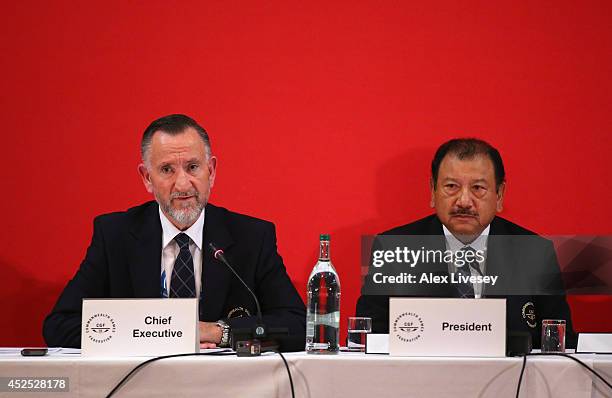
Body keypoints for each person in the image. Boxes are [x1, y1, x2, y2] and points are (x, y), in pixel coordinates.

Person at [43, 114, 306, 348]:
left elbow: (297, 324)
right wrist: (162, 335)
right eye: (167, 169)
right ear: (147, 178)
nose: (182, 184)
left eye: (193, 167)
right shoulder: (115, 235)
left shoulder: (251, 237)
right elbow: (60, 325)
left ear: (211, 171)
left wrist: (218, 332)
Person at [356, 138, 576, 348]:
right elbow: (370, 338)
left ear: (499, 195)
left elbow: (558, 342)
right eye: (451, 186)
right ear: (432, 191)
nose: (463, 201)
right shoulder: (393, 248)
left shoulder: (535, 253)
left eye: (478, 188)